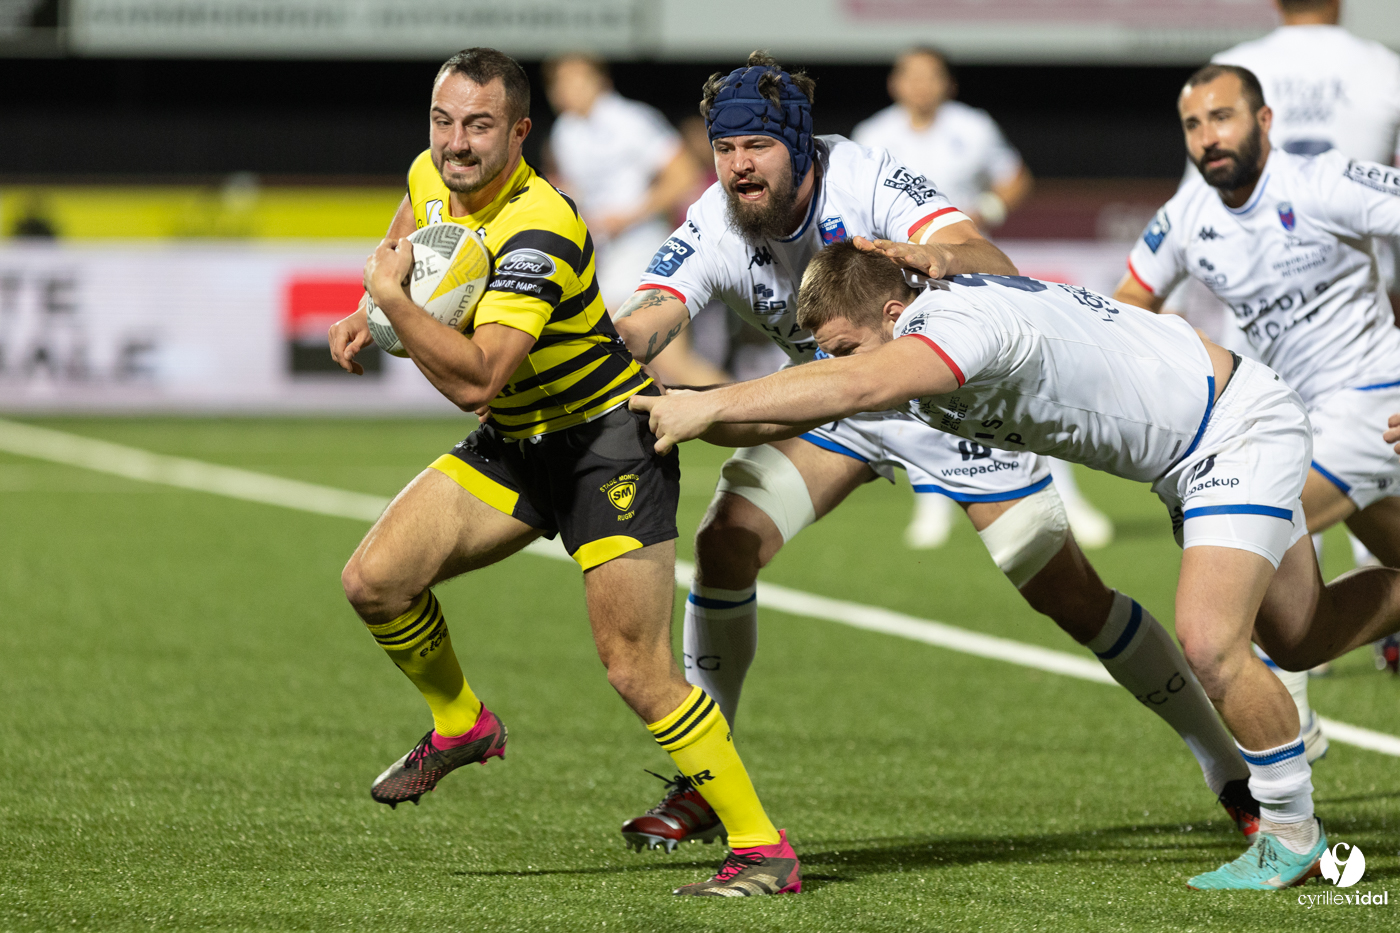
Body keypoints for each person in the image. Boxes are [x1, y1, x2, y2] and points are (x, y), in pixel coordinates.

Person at [612, 51, 1259, 855]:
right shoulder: (716, 217)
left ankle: (1226, 764)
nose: (738, 164)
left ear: (800, 144)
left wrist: (950, 259)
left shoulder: (867, 174)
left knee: (1073, 600)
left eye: (757, 146)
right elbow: (651, 313)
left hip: (951, 404)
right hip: (834, 398)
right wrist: (601, 344)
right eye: (725, 147)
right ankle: (708, 783)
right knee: (725, 541)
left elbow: (990, 260)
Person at [632, 240, 1400, 889]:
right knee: (1302, 633)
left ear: (894, 317)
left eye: (839, 346)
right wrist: (673, 404)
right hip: (1199, 443)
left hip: (1232, 432)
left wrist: (713, 401)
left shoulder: (958, 325)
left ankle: (1293, 835)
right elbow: (812, 401)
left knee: (1210, 641)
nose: (834, 364)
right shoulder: (904, 337)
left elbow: (856, 382)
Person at [325, 47, 799, 898]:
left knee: (635, 668)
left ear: (520, 132)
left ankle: (763, 847)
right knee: (375, 581)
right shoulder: (431, 174)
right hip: (517, 442)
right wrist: (369, 305)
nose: (455, 144)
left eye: (478, 126)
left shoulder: (539, 225)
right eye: (442, 121)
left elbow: (476, 377)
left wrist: (394, 303)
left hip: (606, 444)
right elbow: (410, 222)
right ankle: (461, 723)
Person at [1112, 64, 1400, 762]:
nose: (1209, 137)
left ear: (1264, 121)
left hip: (1372, 399)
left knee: (1252, 517)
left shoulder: (1322, 181)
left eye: (1223, 117)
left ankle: (1284, 718)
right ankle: (1288, 680)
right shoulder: (1186, 218)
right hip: (1301, 418)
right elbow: (1124, 310)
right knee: (1306, 622)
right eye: (1193, 124)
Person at [853, 46, 1112, 551]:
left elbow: (1015, 179)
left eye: (932, 75)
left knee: (1020, 379)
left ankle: (1067, 497)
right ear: (895, 83)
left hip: (972, 275)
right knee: (920, 389)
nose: (922, 85)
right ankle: (931, 501)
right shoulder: (872, 136)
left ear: (948, 83)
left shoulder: (973, 127)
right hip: (901, 283)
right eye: (912, 75)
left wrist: (983, 213)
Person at [543, 54, 699, 315]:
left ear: (600, 80)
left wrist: (628, 217)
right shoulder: (564, 132)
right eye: (559, 82)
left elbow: (684, 174)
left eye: (576, 79)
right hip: (602, 253)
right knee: (647, 351)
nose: (566, 89)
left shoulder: (632, 119)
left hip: (642, 245)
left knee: (614, 331)